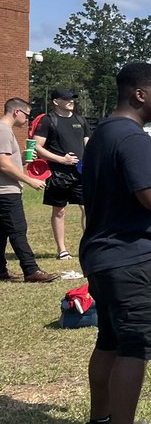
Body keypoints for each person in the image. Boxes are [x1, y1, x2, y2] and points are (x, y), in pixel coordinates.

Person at [79, 63, 151, 424]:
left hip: (102, 255)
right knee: (133, 348)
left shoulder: (103, 133)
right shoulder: (133, 138)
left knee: (109, 339)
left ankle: (101, 422)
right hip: (132, 259)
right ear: (140, 94)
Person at [0, 98, 59, 283]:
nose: (27, 119)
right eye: (26, 115)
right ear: (16, 112)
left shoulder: (5, 131)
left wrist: (24, 160)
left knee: (2, 232)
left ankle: (0, 270)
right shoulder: (3, 130)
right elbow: (3, 165)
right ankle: (31, 270)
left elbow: (8, 162)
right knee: (18, 230)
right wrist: (30, 180)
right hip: (6, 191)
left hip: (5, 190)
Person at [33, 86, 91, 260]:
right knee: (59, 211)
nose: (71, 101)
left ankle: (89, 246)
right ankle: (62, 249)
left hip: (81, 172)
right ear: (56, 102)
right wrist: (61, 160)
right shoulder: (48, 121)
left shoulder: (81, 120)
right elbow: (36, 146)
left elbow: (88, 144)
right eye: (67, 99)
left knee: (87, 208)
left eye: (72, 98)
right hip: (59, 173)